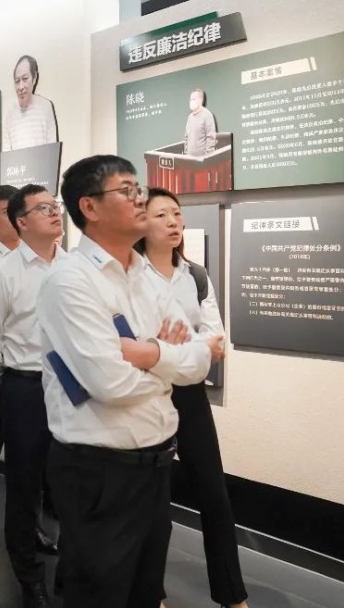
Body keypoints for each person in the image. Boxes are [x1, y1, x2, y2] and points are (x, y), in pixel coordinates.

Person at [37, 155, 212, 607]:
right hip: (99, 472)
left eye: (140, 189)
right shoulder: (70, 282)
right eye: (128, 190)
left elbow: (200, 361)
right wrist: (169, 368)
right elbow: (110, 384)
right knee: (101, 594)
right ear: (89, 207)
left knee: (145, 592)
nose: (141, 199)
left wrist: (148, 353)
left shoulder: (145, 275)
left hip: (155, 464)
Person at [135, 188, 246, 608]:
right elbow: (138, 343)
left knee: (215, 496)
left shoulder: (195, 275)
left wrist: (172, 348)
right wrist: (183, 349)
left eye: (176, 214)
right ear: (142, 223)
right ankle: (152, 594)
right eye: (161, 214)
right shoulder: (130, 276)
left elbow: (215, 341)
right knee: (154, 503)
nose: (173, 222)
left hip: (191, 396)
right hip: (148, 396)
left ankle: (232, 596)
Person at [0, 184, 66, 608]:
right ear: (21, 221)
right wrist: (14, 378)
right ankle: (29, 576)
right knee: (24, 483)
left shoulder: (75, 267)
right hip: (25, 386)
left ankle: (71, 569)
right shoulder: (3, 274)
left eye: (56, 205)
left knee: (71, 479)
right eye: (44, 208)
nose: (55, 212)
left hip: (72, 384)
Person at [0, 184, 57, 567]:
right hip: (1, 377)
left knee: (41, 462)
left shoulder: (61, 261)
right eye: (4, 212)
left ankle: (32, 528)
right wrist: (5, 375)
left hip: (53, 381)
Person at [2, 55, 58, 152]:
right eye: (17, 81)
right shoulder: (9, 114)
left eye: (25, 79)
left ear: (34, 78)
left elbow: (52, 149)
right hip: (17, 162)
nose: (21, 87)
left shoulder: (46, 106)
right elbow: (6, 153)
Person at [184, 89, 217, 156]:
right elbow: (186, 137)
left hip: (202, 159)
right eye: (190, 99)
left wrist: (207, 157)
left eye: (194, 99)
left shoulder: (207, 115)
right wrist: (186, 154)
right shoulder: (190, 117)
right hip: (189, 158)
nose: (191, 101)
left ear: (201, 100)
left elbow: (211, 138)